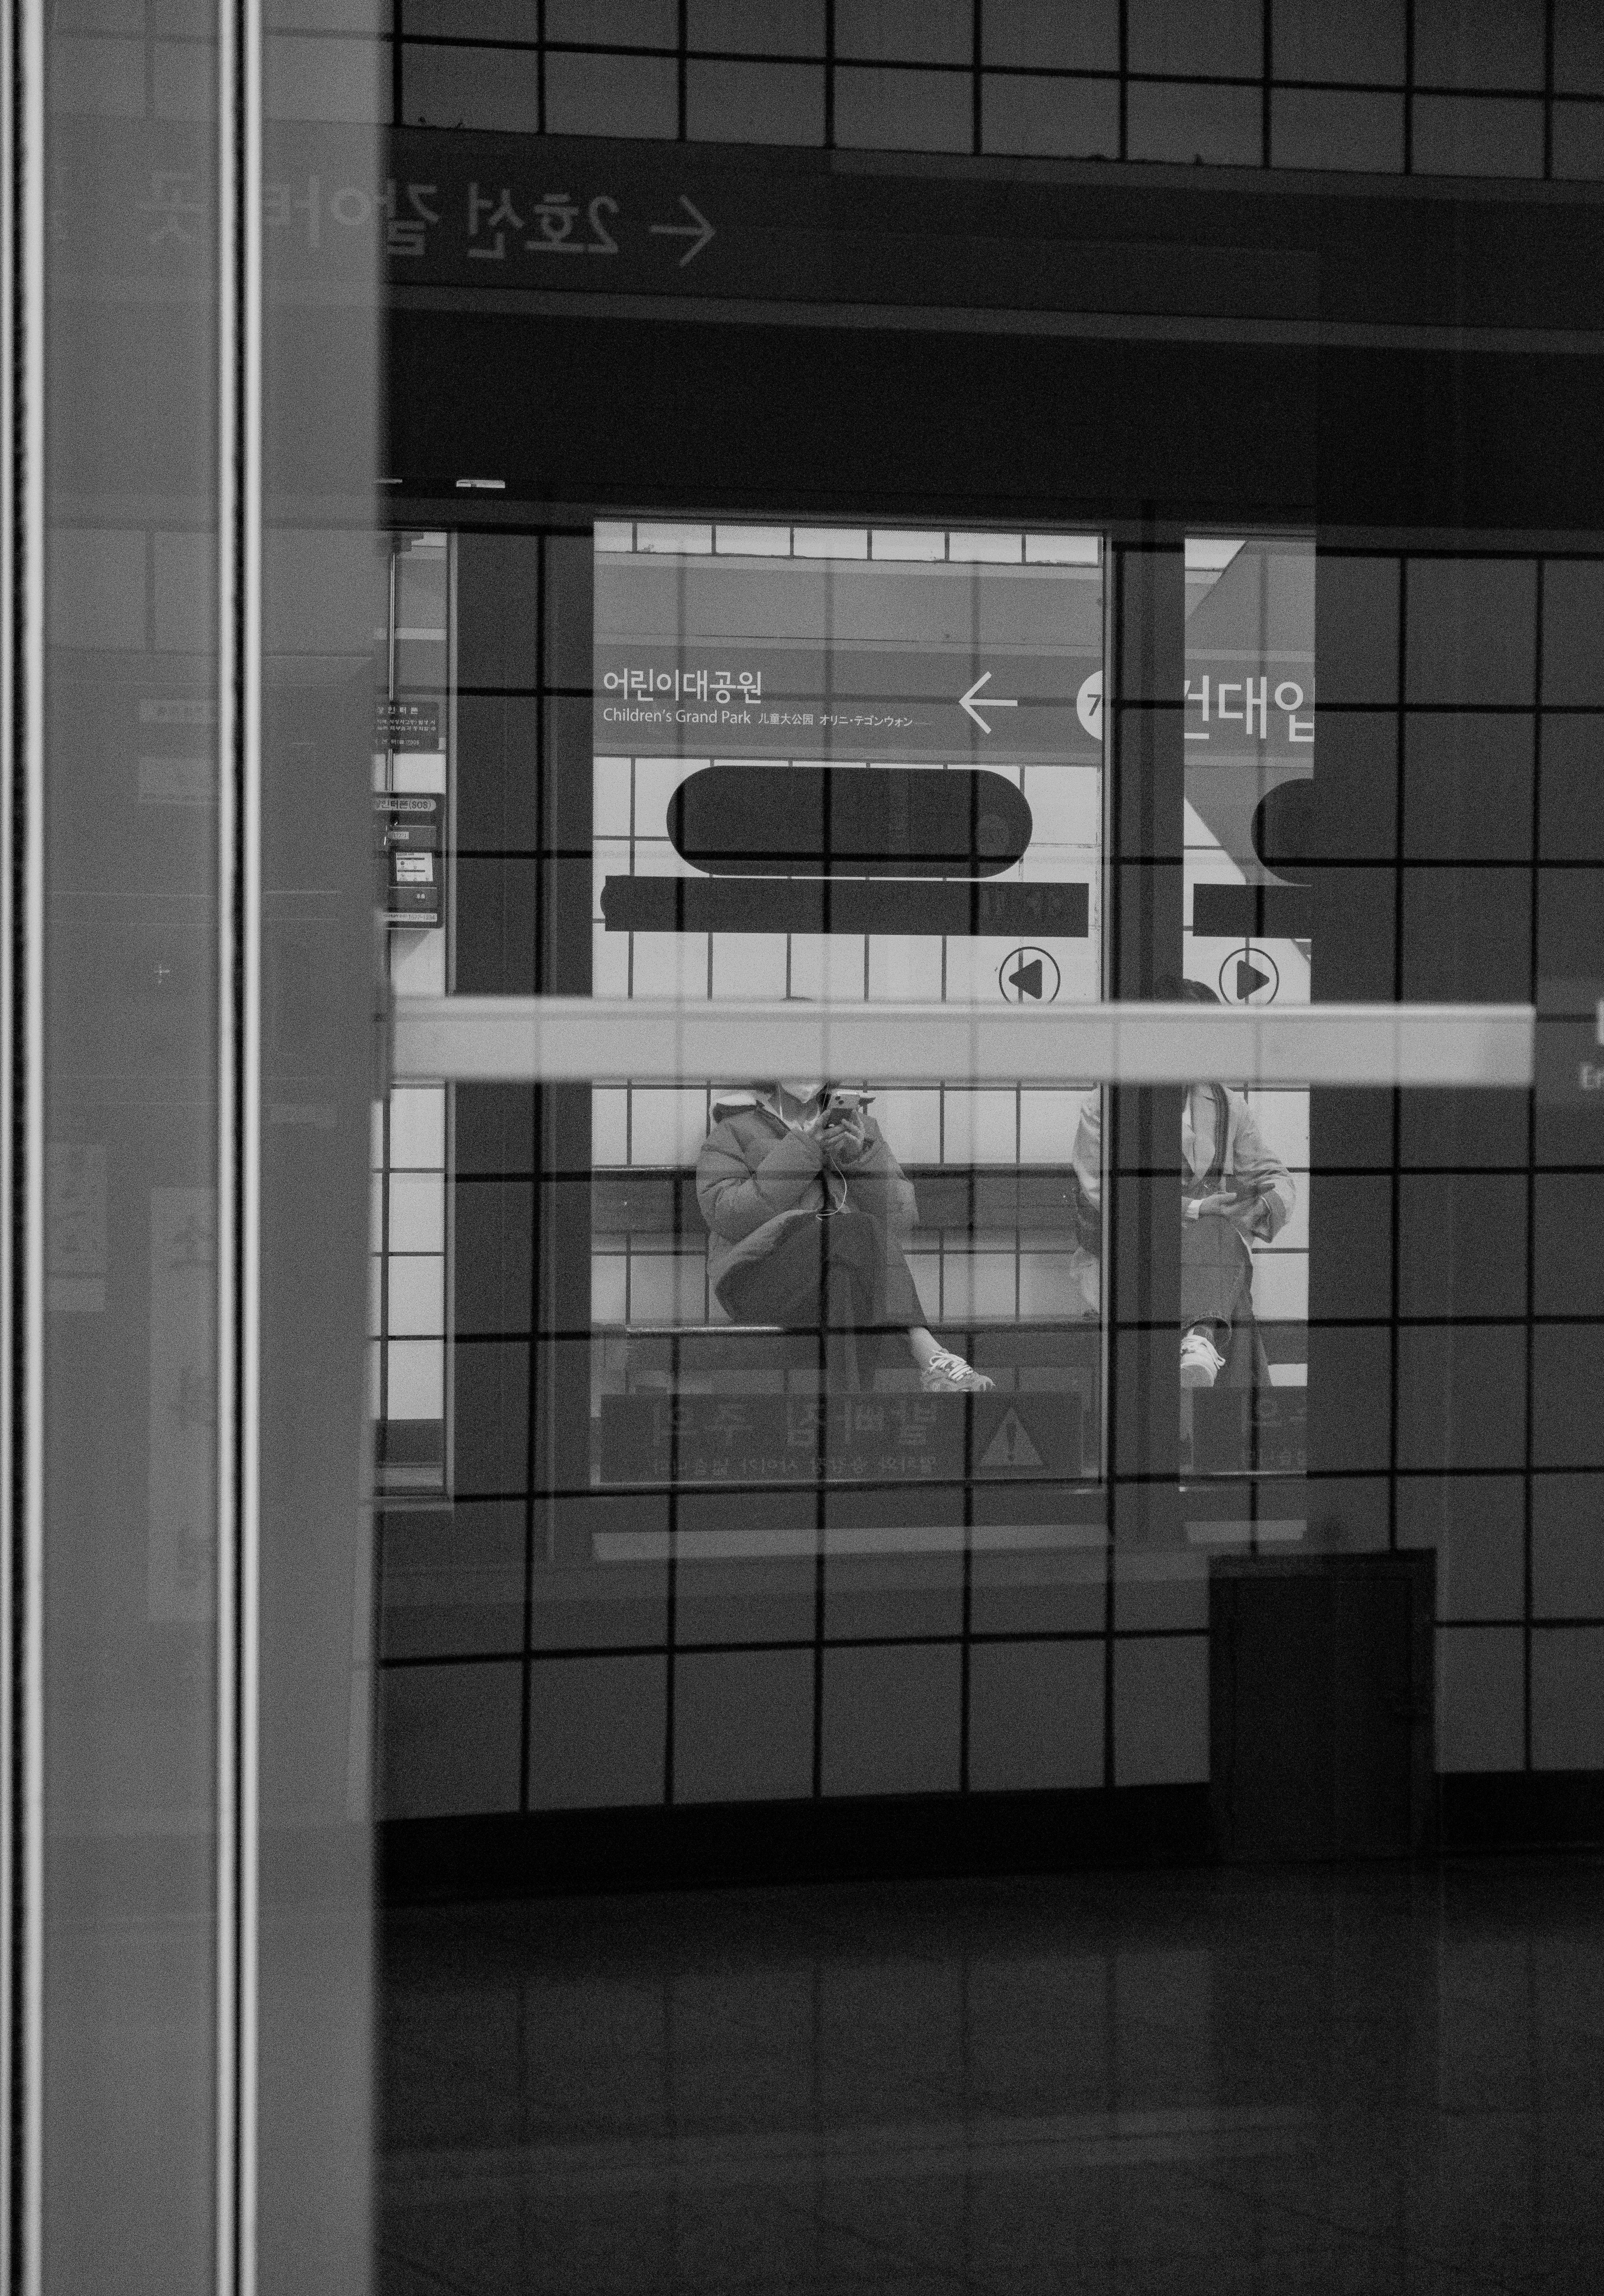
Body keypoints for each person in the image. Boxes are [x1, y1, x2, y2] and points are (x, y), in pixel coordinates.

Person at [696, 1080, 994, 1394]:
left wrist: (860, 1158)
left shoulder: (860, 1130)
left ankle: (848, 1414)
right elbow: (727, 1214)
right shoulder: (733, 1131)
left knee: (845, 1279)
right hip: (759, 1282)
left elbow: (902, 1218)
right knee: (855, 1229)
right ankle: (925, 1346)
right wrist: (807, 1149)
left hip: (832, 1284)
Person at [1070, 979, 1295, 1387]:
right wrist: (1196, 1209)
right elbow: (1102, 1195)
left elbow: (1275, 1177)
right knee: (1229, 1281)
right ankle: (1206, 1346)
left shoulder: (1227, 1103)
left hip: (1208, 1263)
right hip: (1132, 1259)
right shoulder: (1106, 1103)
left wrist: (1260, 1206)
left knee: (1220, 1226)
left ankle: (1201, 1340)